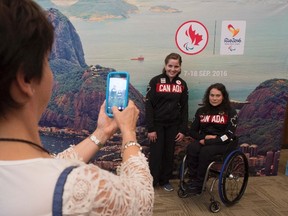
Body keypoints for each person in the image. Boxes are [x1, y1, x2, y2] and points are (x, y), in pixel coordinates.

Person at [0, 0, 154, 215]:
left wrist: (101, 133)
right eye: (47, 62)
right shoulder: (80, 187)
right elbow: (141, 200)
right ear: (25, 79)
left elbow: (49, 165)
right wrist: (128, 133)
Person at [145, 53, 188, 192]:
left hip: (173, 125)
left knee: (169, 153)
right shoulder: (155, 81)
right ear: (165, 66)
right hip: (157, 125)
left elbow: (184, 107)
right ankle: (152, 181)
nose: (173, 69)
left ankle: (165, 180)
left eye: (176, 66)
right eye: (170, 66)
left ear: (180, 67)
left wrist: (182, 129)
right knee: (156, 153)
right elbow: (149, 106)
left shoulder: (182, 84)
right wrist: (150, 128)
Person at [186, 83, 238, 194]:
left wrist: (211, 141)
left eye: (218, 96)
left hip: (223, 143)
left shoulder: (230, 112)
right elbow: (192, 131)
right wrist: (203, 137)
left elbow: (228, 135)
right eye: (212, 95)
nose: (214, 98)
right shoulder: (201, 111)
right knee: (192, 148)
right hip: (205, 139)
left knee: (206, 151)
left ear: (223, 97)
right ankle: (193, 179)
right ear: (208, 96)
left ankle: (200, 183)